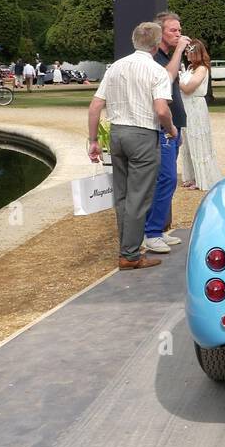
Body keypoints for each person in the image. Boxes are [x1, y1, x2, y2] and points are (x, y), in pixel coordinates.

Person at [87, 21, 177, 270]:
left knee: (123, 195)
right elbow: (161, 109)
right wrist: (171, 129)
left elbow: (95, 106)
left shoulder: (115, 67)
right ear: (157, 44)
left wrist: (93, 140)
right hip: (142, 135)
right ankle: (130, 254)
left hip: (117, 133)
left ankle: (127, 248)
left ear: (134, 40)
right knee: (139, 197)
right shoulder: (157, 71)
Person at [143, 11, 190, 256]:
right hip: (164, 129)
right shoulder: (156, 59)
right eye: (174, 30)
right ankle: (151, 233)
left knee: (167, 180)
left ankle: (157, 230)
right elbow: (167, 77)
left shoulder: (164, 57)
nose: (179, 34)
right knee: (167, 179)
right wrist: (180, 50)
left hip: (175, 125)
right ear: (160, 33)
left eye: (179, 30)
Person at [178, 39, 221, 191]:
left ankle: (202, 178)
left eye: (188, 51)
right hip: (186, 107)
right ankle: (192, 175)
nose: (186, 54)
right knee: (188, 142)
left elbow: (189, 88)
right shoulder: (190, 68)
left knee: (198, 141)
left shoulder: (202, 69)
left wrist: (176, 81)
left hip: (195, 107)